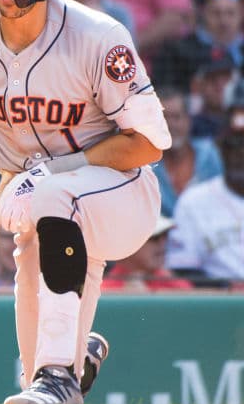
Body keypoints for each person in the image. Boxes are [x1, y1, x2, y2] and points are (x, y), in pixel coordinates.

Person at [0, 0, 170, 404]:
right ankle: (69, 360)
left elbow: (150, 143)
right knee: (33, 390)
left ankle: (61, 371)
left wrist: (56, 170)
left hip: (121, 192)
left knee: (53, 195)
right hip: (37, 205)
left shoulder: (97, 36)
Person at [166, 98, 244, 284]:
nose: (240, 153)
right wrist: (226, 288)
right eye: (233, 145)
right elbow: (183, 270)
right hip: (220, 305)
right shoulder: (193, 201)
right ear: (221, 148)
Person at [149, 90, 222, 217]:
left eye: (177, 117)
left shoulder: (210, 154)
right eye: (164, 118)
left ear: (188, 120)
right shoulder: (147, 166)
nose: (170, 125)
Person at [101, 215, 192, 291]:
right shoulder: (103, 290)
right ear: (126, 243)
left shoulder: (175, 284)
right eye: (155, 238)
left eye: (165, 235)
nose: (162, 243)